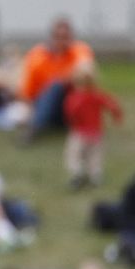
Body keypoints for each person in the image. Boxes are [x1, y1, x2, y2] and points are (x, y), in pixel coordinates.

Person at [19, 18, 94, 141]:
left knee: (61, 85)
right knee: (55, 87)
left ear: (71, 38)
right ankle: (34, 128)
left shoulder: (80, 51)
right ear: (51, 37)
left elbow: (86, 71)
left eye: (65, 37)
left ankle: (36, 127)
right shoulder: (37, 56)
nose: (61, 41)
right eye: (58, 37)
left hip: (73, 106)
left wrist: (65, 79)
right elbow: (28, 93)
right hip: (48, 107)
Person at [63, 61, 122, 189]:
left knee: (74, 154)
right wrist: (117, 116)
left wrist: (71, 121)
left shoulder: (73, 97)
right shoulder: (97, 95)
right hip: (96, 132)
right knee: (95, 155)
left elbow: (70, 113)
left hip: (79, 132)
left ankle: (77, 173)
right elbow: (112, 105)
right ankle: (95, 175)